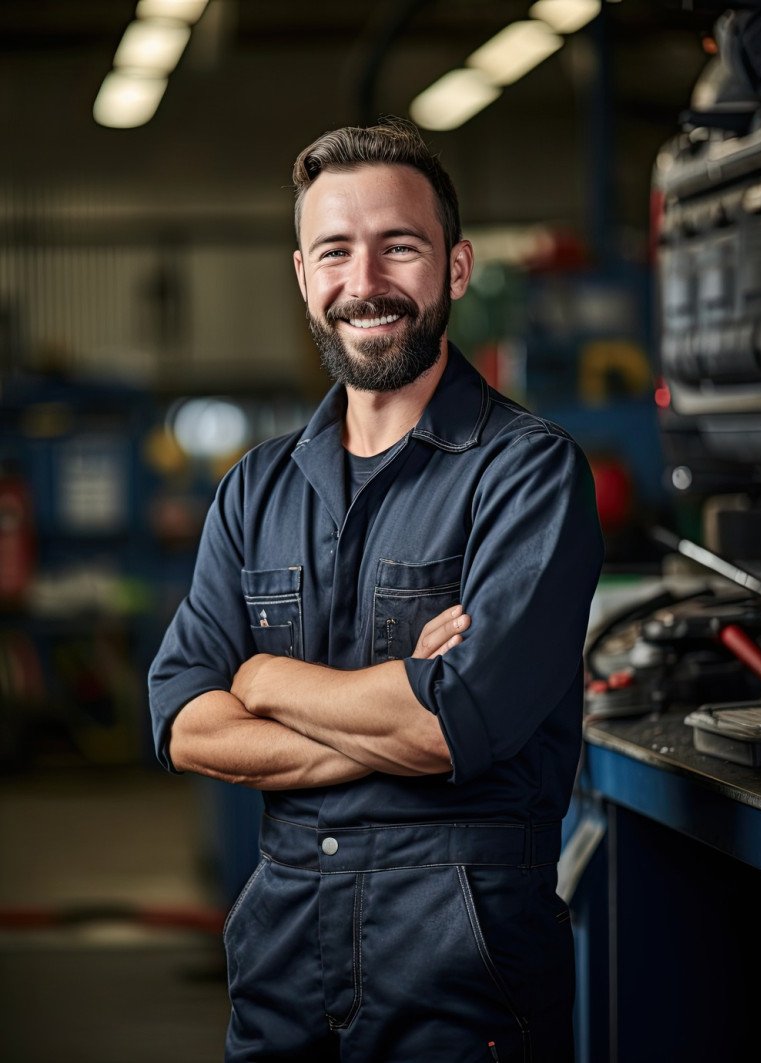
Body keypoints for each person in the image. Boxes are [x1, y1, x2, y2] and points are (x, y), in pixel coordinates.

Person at [148, 116, 604, 1063]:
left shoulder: (528, 474)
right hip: (280, 960)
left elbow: (448, 725)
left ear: (457, 267)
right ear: (305, 277)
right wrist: (395, 706)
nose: (366, 284)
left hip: (461, 968)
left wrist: (266, 676)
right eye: (335, 253)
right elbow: (188, 724)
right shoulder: (254, 489)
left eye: (399, 247)